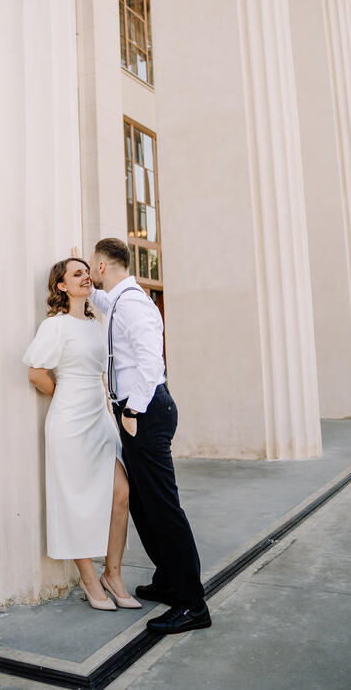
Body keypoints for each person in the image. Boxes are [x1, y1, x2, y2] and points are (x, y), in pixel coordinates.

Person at [87, 237, 211, 635]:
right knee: (143, 504)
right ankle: (169, 580)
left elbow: (150, 362)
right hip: (140, 412)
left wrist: (132, 412)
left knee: (163, 506)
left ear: (103, 266)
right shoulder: (119, 300)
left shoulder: (134, 304)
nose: (90, 271)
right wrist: (86, 287)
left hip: (145, 412)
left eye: (91, 265)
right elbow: (103, 302)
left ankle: (191, 603)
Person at [23, 257, 141, 611]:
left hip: (99, 419)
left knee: (121, 493)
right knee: (73, 499)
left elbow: (102, 373)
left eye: (87, 271)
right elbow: (36, 373)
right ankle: (89, 579)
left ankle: (113, 574)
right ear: (62, 286)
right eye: (77, 274)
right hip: (69, 423)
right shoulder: (55, 326)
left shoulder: (95, 323)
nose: (86, 276)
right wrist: (65, 396)